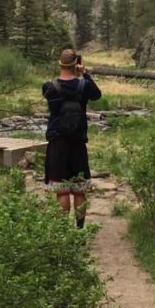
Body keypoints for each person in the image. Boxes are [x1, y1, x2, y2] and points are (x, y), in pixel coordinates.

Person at [42, 49, 102, 228]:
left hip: (57, 142)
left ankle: (62, 231)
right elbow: (97, 95)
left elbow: (49, 99)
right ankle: (80, 227)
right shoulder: (84, 86)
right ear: (77, 64)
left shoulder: (49, 87)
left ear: (60, 64)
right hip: (78, 142)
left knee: (61, 190)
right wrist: (85, 74)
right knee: (79, 188)